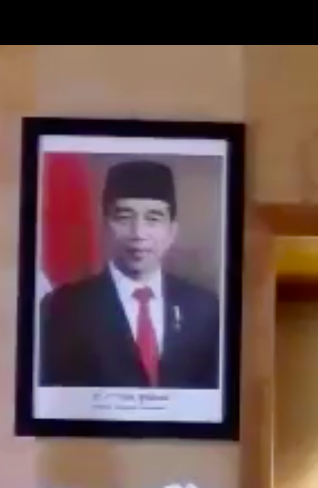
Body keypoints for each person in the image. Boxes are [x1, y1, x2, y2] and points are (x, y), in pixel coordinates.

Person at [38, 160, 221, 390]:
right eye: (124, 217)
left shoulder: (205, 309)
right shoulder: (64, 308)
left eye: (153, 219)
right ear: (105, 226)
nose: (138, 233)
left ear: (172, 231)